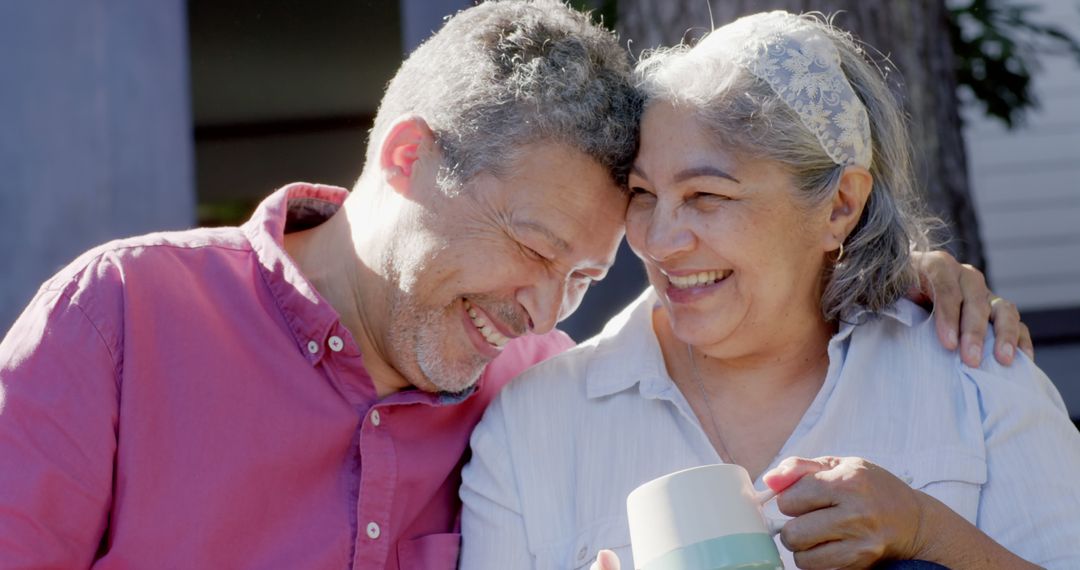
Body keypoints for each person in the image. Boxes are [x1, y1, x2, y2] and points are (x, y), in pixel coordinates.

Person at [0, 2, 1024, 568]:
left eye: (580, 276)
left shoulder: (525, 386)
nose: (541, 311)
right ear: (406, 156)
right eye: (531, 249)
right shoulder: (121, 317)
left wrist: (889, 275)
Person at [459, 10, 1079, 570]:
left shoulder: (975, 381)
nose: (661, 240)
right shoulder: (531, 428)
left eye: (707, 196)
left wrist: (928, 533)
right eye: (644, 195)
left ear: (839, 206)